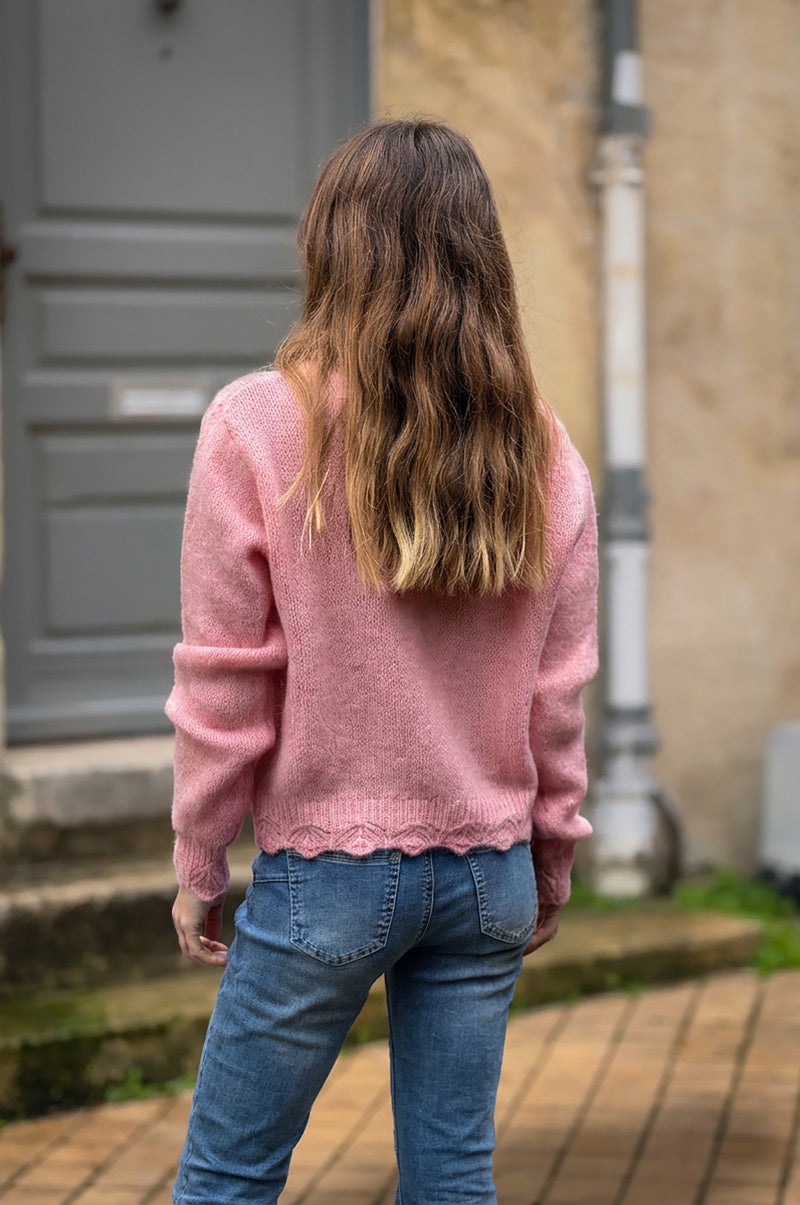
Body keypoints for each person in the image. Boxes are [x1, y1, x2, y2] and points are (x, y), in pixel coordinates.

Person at [167, 118, 598, 1205]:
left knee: (227, 1175)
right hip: (487, 864)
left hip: (329, 875)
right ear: (479, 254)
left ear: (330, 246)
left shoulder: (257, 425)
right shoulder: (540, 449)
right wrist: (548, 851)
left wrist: (199, 854)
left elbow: (227, 679)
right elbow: (557, 691)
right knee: (452, 1179)